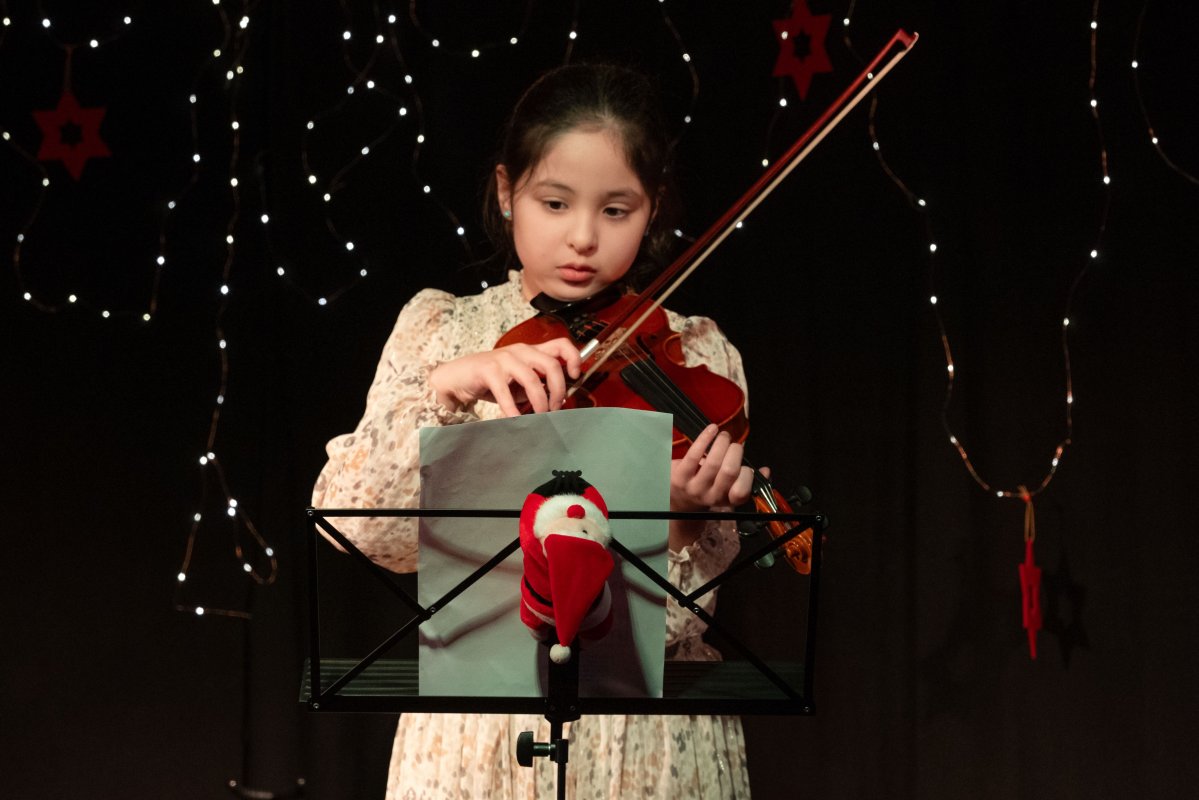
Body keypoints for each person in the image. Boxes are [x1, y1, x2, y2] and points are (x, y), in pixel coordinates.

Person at [313, 63, 755, 799]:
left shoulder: (697, 355)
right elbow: (363, 535)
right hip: (473, 739)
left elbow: (675, 628)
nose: (582, 237)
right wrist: (448, 389)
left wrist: (679, 519)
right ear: (504, 191)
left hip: (643, 742)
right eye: (554, 202)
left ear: (652, 210)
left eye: (616, 210)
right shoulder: (440, 331)